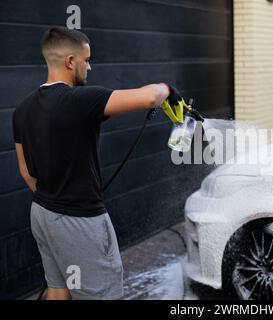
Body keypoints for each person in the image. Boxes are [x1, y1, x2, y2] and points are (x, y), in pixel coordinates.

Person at [12, 27, 181, 300]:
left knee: (58, 289)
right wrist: (168, 89)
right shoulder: (81, 100)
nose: (89, 67)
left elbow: (25, 171)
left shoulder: (22, 109)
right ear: (70, 61)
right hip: (80, 221)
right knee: (102, 295)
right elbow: (150, 97)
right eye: (86, 60)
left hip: (42, 214)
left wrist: (54, 199)